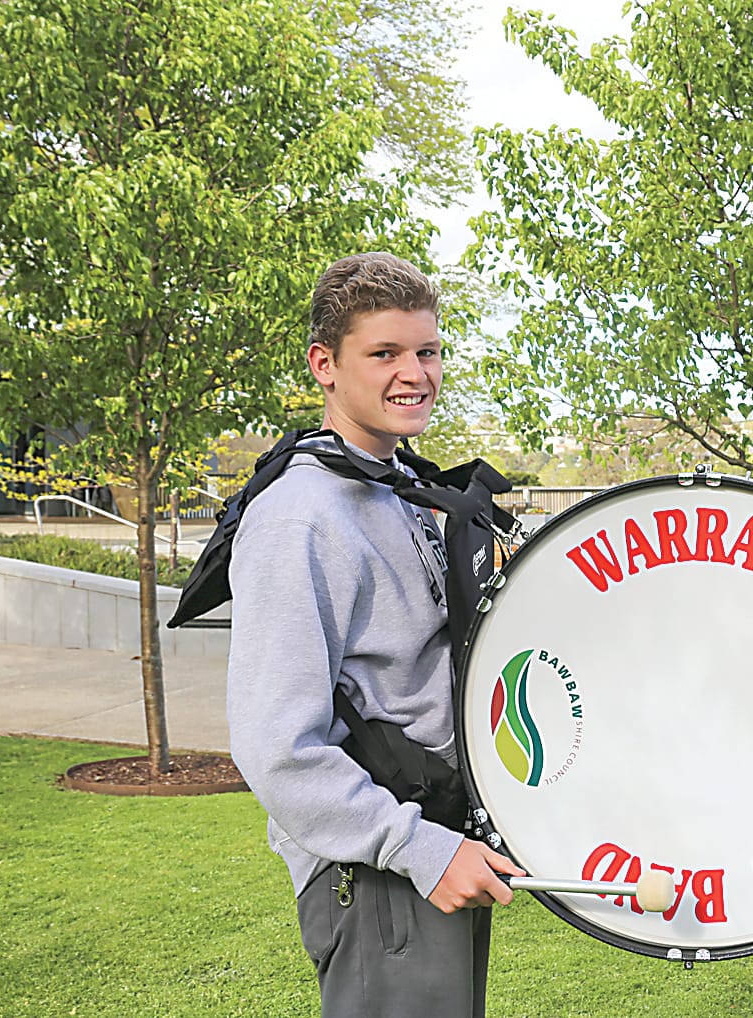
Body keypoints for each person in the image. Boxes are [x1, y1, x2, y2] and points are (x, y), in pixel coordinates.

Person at [226, 252, 523, 1018]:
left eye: (426, 351)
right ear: (325, 365)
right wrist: (417, 849)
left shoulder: (397, 491)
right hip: (377, 868)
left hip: (433, 838)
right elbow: (277, 749)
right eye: (384, 353)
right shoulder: (302, 518)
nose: (414, 373)